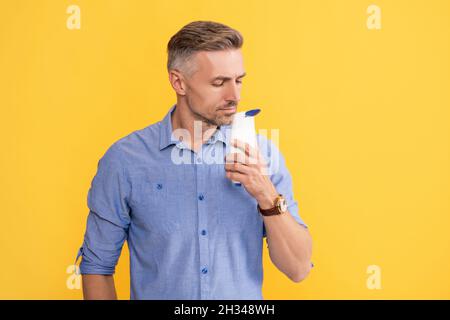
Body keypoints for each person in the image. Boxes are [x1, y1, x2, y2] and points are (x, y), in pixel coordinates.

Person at [75, 20, 313, 300]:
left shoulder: (263, 155)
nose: (234, 96)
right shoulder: (125, 160)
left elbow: (298, 269)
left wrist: (267, 195)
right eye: (219, 82)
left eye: (239, 80)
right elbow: (97, 267)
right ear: (179, 82)